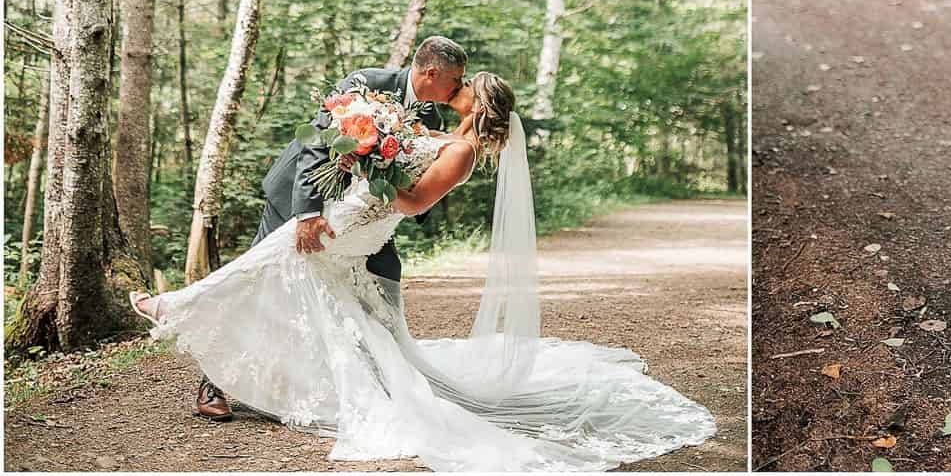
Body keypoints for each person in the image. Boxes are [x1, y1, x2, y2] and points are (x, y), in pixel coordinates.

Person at [134, 72, 716, 470]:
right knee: (294, 268)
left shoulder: (462, 152)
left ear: (477, 104)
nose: (456, 92)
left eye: (465, 89)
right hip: (358, 211)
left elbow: (414, 202)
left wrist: (378, 165)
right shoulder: (448, 135)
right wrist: (373, 149)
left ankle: (176, 307)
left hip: (369, 215)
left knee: (285, 255)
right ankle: (196, 326)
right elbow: (399, 146)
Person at [189, 35, 470, 420]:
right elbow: (315, 146)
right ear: (432, 72)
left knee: (385, 274)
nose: (459, 89)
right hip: (298, 196)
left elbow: (413, 182)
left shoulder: (431, 116)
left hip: (358, 217)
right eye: (456, 80)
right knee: (260, 282)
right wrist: (307, 214)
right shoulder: (365, 83)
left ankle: (383, 378)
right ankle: (213, 382)